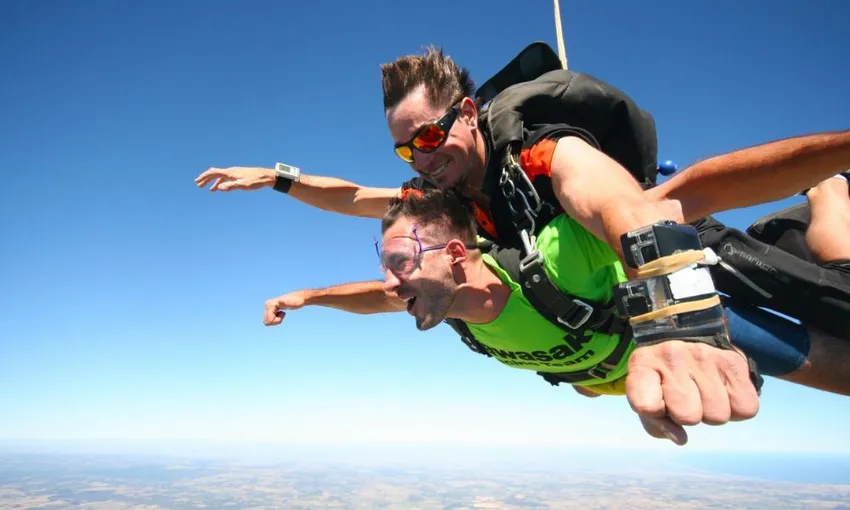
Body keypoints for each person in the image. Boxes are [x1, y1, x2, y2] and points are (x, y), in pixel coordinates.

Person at [196, 44, 850, 435]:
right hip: (607, 315)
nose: (421, 158)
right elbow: (354, 200)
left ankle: (828, 190)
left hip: (653, 264)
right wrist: (279, 179)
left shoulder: (544, 155)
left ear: (470, 114)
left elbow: (629, 204)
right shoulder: (445, 208)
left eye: (429, 136)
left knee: (839, 324)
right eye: (405, 150)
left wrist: (670, 312)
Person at [264, 187, 850, 446]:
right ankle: (784, 234)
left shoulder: (555, 257)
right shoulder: (438, 298)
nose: (392, 283)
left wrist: (680, 334)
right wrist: (308, 298)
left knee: (840, 342)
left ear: (457, 256)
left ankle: (826, 194)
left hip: (676, 330)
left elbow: (652, 210)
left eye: (402, 262)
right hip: (621, 372)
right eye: (385, 265)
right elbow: (370, 296)